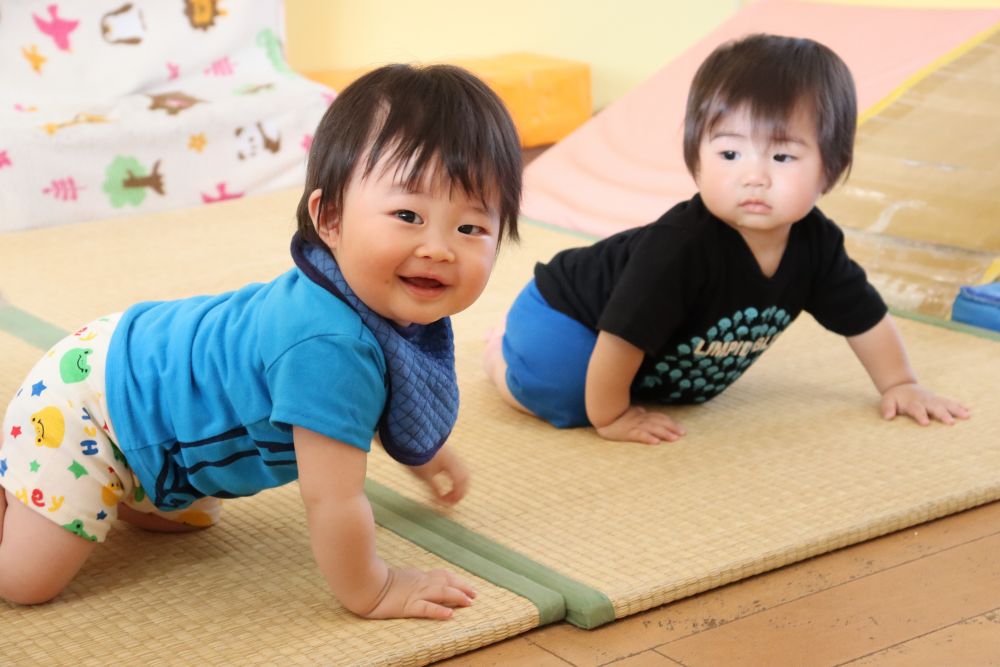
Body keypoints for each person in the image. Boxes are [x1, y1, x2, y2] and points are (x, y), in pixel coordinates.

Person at [0, 64, 523, 619]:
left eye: (470, 227)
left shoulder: (383, 301)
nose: (439, 248)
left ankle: (102, 487)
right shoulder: (327, 345)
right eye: (407, 215)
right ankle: (29, 481)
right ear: (330, 218)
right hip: (90, 406)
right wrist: (375, 587)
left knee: (190, 522)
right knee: (25, 581)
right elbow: (332, 497)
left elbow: (386, 395)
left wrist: (426, 453)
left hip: (143, 396)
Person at [484, 34, 969, 445]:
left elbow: (866, 319)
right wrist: (611, 417)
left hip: (633, 348)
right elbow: (620, 337)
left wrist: (901, 383)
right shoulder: (680, 248)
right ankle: (499, 355)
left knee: (628, 386)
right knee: (569, 399)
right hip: (569, 315)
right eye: (730, 153)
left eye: (782, 158)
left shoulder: (816, 246)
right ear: (696, 157)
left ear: (832, 167)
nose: (753, 176)